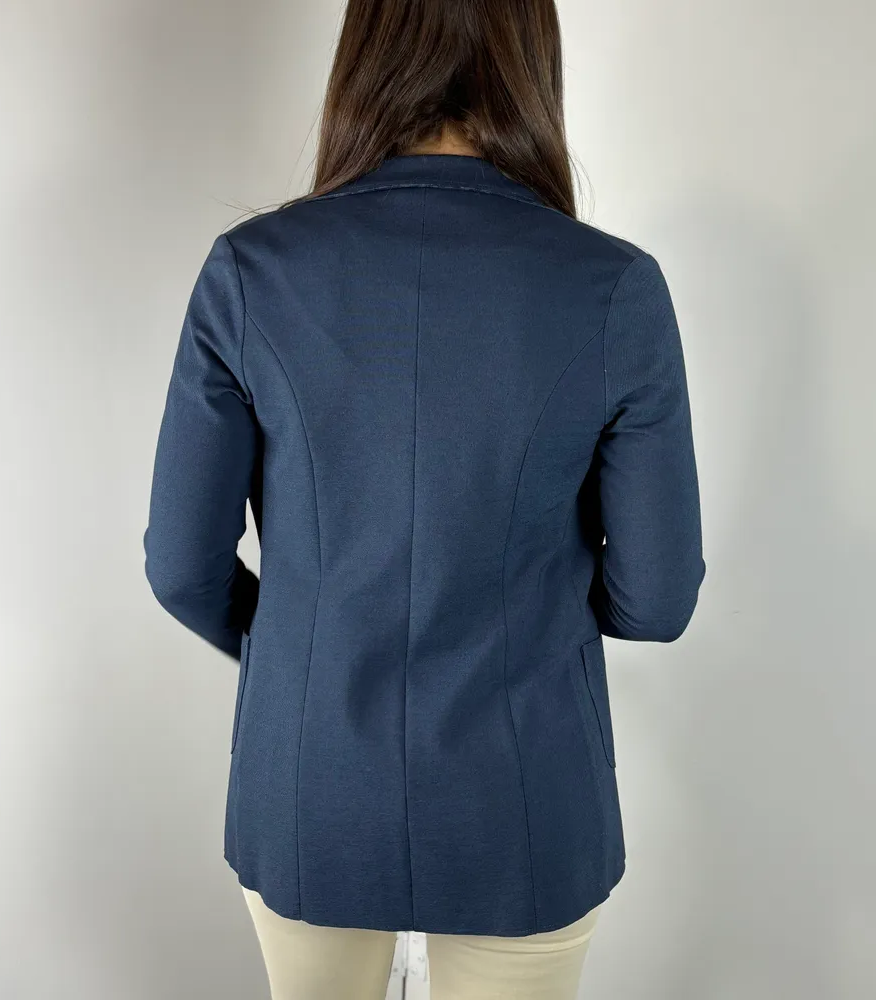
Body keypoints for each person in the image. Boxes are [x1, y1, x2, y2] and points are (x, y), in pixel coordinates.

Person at [142, 0, 705, 996]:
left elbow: (183, 568)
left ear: (365, 53)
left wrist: (304, 649)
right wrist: (527, 618)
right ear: (532, 59)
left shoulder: (252, 273)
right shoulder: (613, 287)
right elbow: (655, 600)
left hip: (312, 783)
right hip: (526, 799)